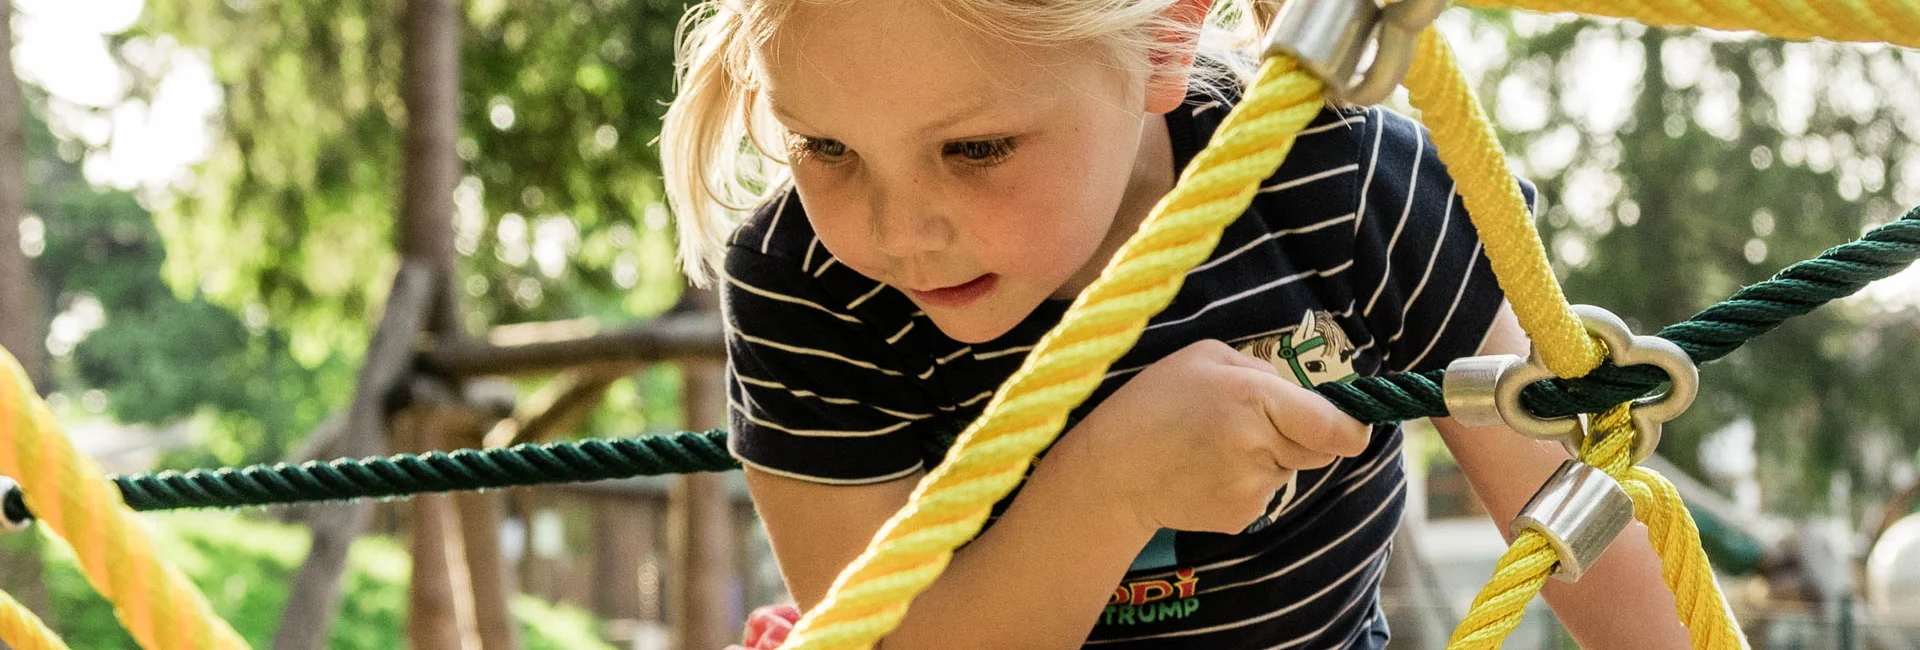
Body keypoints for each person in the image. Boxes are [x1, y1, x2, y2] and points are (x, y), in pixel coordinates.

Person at [661, 0, 1692, 647]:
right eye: (824, 147)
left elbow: (1569, 515)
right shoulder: (804, 285)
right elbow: (875, 638)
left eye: (976, 149)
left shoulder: (1340, 185)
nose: (897, 231)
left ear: (1164, 39)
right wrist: (1111, 482)